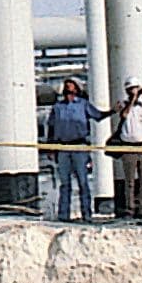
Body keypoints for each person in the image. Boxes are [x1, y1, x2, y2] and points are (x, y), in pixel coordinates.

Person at [42, 77, 96, 222]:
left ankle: (86, 214)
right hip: (63, 147)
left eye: (70, 86)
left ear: (76, 89)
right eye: (66, 86)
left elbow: (98, 115)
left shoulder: (83, 105)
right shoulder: (58, 107)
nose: (68, 89)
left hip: (79, 146)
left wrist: (112, 111)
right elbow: (51, 128)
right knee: (65, 183)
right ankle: (63, 214)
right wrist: (50, 147)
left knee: (83, 182)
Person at [108, 84, 142, 221]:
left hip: (141, 145)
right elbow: (124, 115)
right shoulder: (125, 105)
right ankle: (128, 208)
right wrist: (132, 99)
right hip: (128, 146)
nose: (135, 91)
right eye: (132, 89)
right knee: (129, 180)